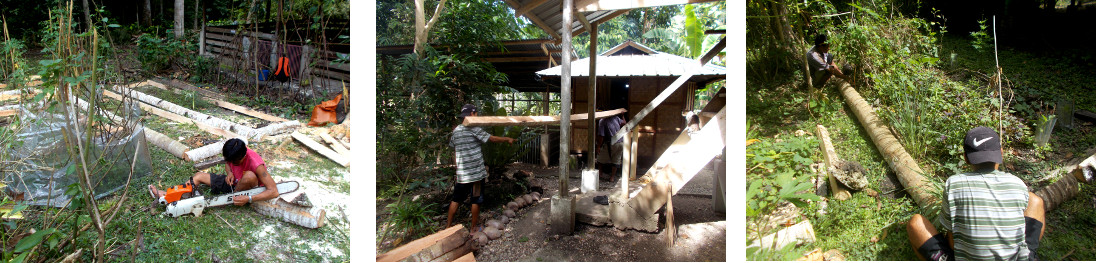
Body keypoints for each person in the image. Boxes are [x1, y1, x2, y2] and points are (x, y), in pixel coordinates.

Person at [907, 126, 1045, 261]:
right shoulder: (1017, 184)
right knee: (1035, 200)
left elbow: (953, 243)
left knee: (916, 223)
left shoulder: (954, 184)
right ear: (1001, 154)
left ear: (966, 158)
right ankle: (1029, 256)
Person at [447, 104, 516, 233]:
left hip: (462, 174)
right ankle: (473, 228)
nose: (477, 116)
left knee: (456, 199)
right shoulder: (474, 129)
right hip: (476, 174)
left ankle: (447, 227)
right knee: (476, 200)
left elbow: (454, 147)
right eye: (476, 113)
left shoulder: (456, 131)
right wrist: (507, 139)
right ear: (472, 114)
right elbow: (493, 139)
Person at [149, 138, 279, 206]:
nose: (231, 164)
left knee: (249, 176)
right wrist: (229, 173)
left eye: (235, 163)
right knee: (199, 176)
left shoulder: (256, 164)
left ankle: (236, 198)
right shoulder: (233, 154)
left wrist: (249, 198)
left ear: (243, 157)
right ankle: (171, 195)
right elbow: (228, 163)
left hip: (245, 189)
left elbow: (274, 191)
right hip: (233, 182)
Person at [596, 111, 625, 181]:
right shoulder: (615, 118)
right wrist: (622, 116)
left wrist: (599, 146)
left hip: (612, 143)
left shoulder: (602, 121)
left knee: (600, 158)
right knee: (616, 160)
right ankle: (612, 177)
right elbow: (624, 123)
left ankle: (600, 173)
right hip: (621, 142)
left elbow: (601, 136)